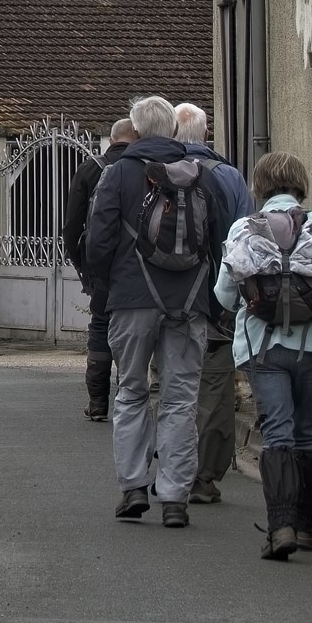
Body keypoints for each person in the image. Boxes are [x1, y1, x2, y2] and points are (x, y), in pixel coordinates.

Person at [81, 94, 237, 528]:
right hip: (188, 304)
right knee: (180, 400)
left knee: (131, 392)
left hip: (132, 301)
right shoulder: (201, 177)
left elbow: (98, 241)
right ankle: (174, 497)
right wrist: (207, 296)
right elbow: (221, 242)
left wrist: (108, 286)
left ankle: (133, 487)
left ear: (134, 129)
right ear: (172, 130)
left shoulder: (117, 174)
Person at [215, 152, 312, 559]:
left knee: (276, 432)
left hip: (264, 347)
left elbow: (224, 295)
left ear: (259, 187)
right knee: (308, 433)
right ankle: (310, 525)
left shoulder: (244, 228)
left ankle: (281, 528)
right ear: (300, 184)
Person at [170, 103, 253, 504]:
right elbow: (247, 243)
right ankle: (204, 475)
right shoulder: (231, 178)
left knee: (173, 384)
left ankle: (170, 468)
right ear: (206, 135)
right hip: (217, 300)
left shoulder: (156, 173)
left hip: (167, 298)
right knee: (215, 386)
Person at [64, 117, 135, 422]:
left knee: (101, 327)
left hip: (101, 266)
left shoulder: (90, 168)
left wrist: (84, 267)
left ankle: (97, 401)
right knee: (136, 329)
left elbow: (71, 226)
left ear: (111, 139)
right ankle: (129, 396)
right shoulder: (144, 168)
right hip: (136, 265)